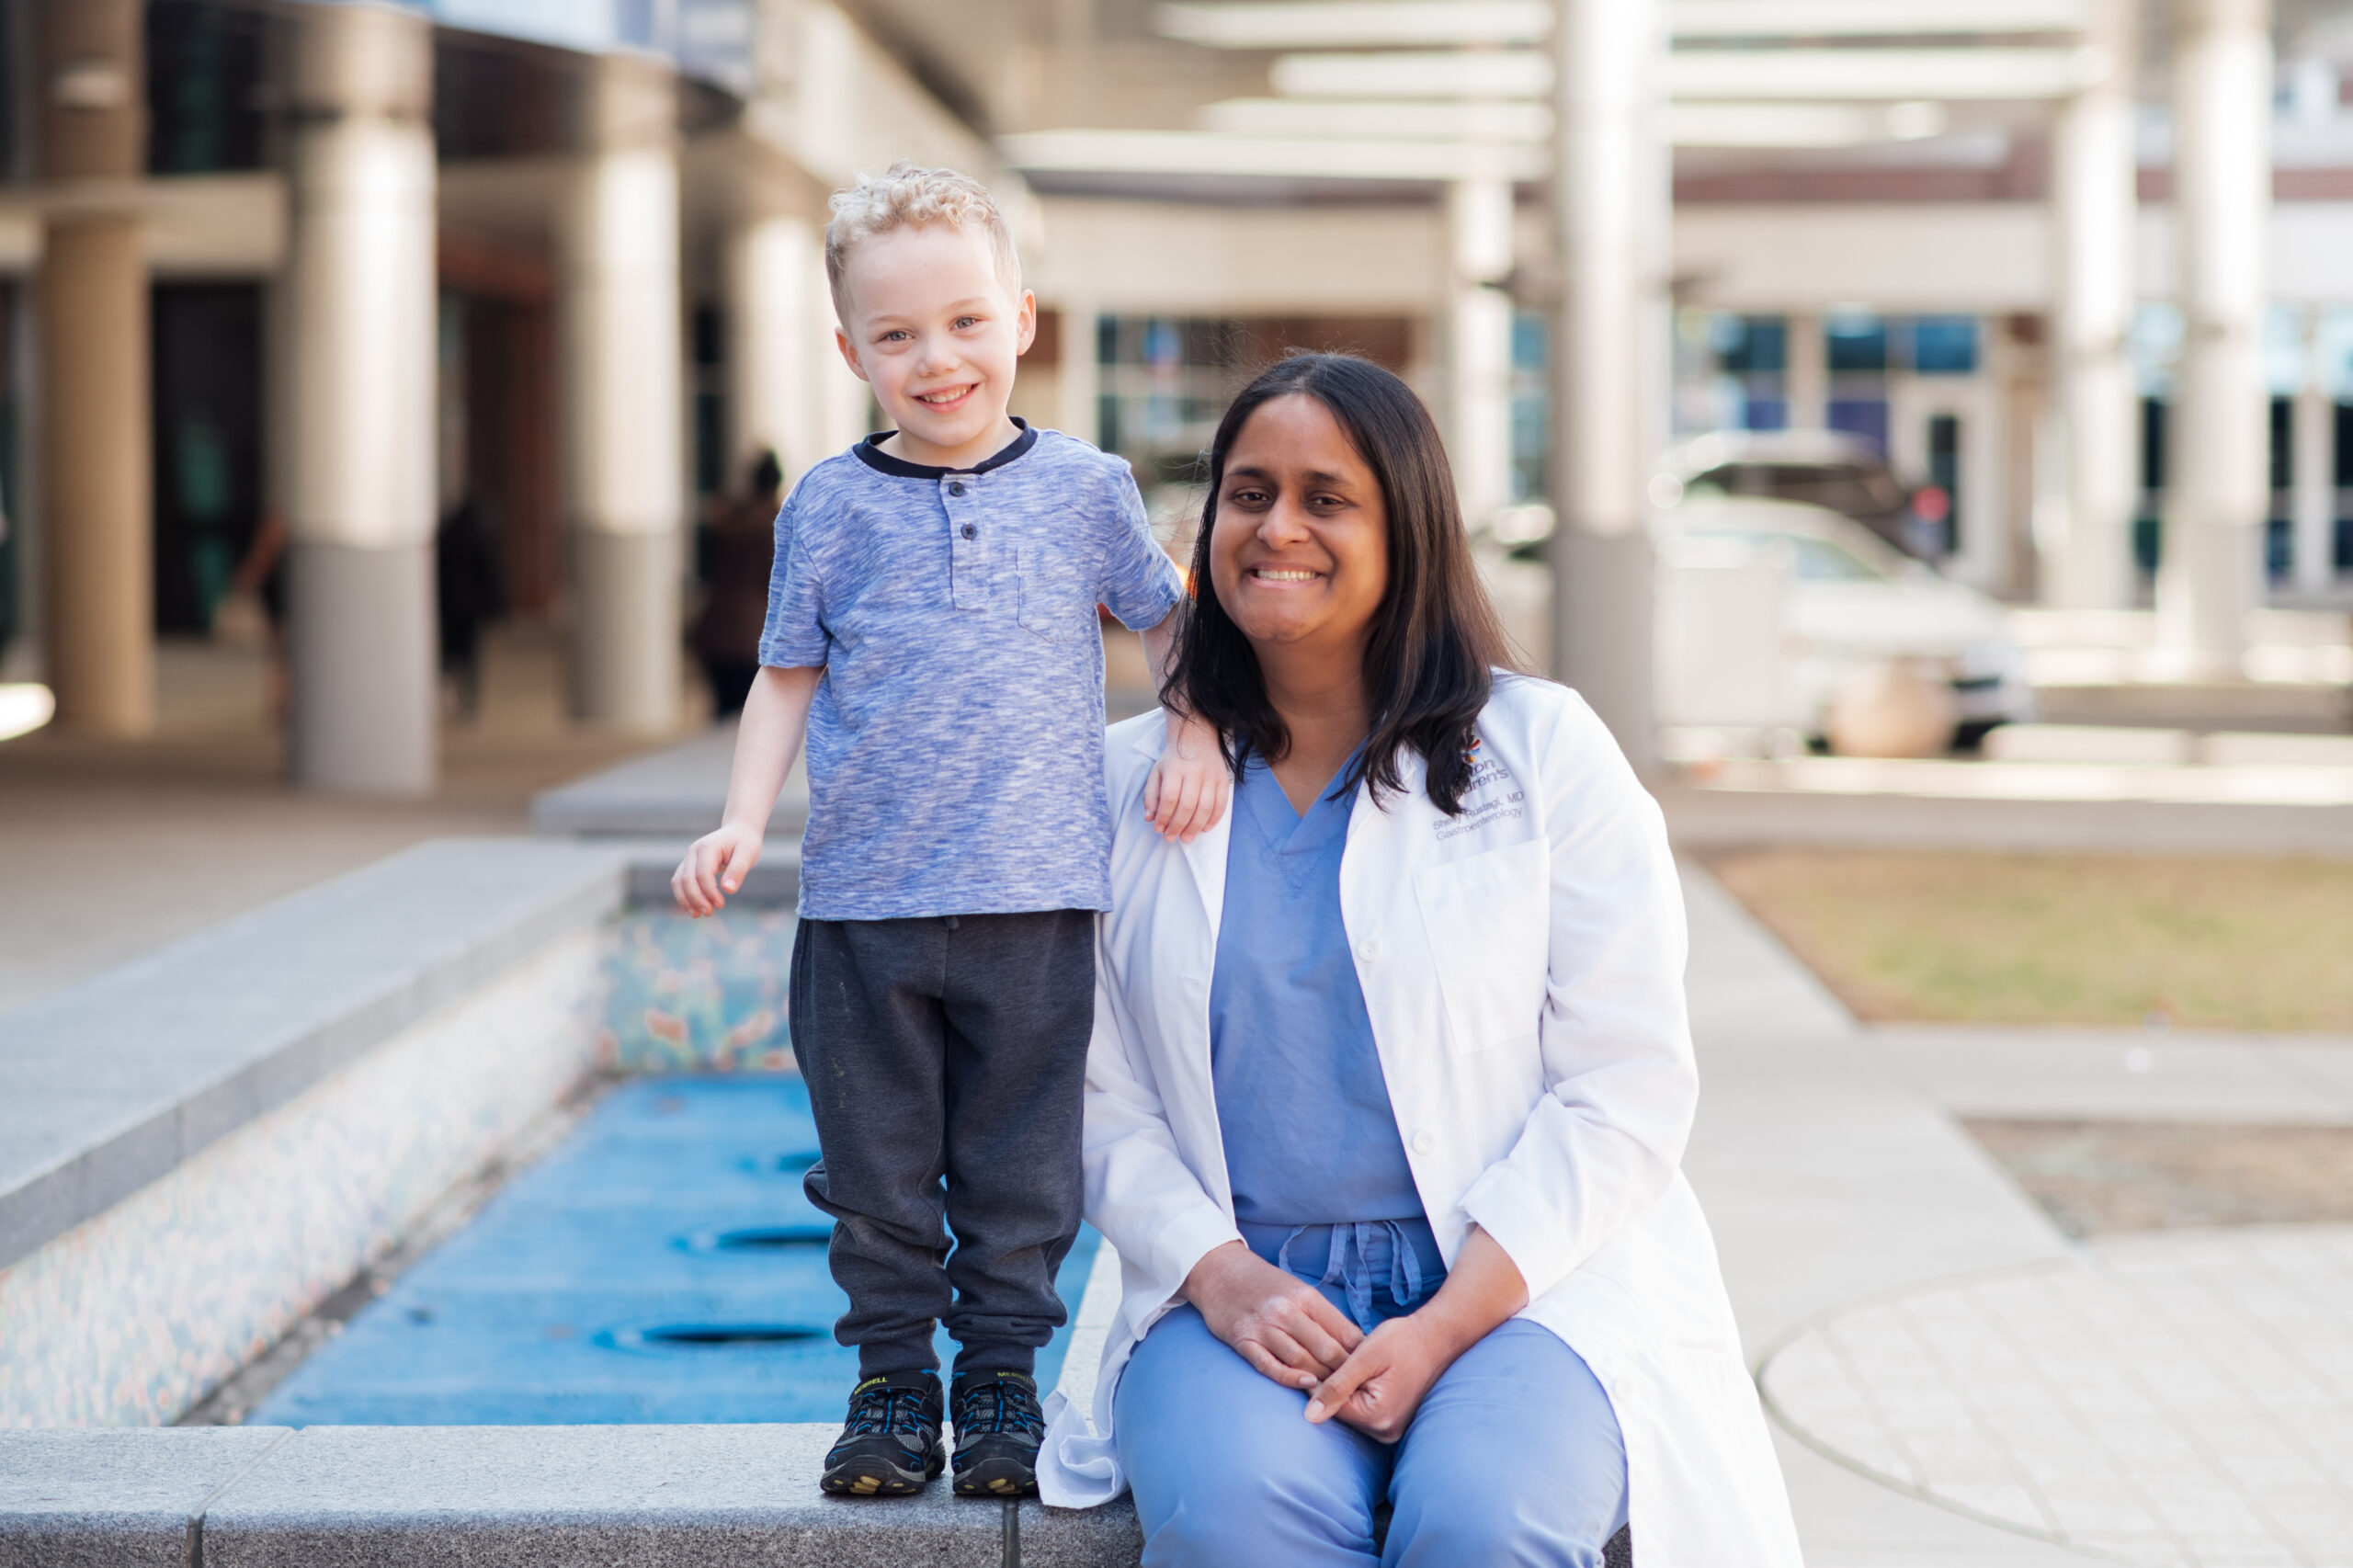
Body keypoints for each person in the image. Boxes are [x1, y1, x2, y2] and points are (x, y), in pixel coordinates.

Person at [1039, 354, 1802, 1566]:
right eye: (1248, 493)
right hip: (1236, 1286)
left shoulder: (1544, 753)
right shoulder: (1123, 785)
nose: (1277, 526)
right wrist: (1222, 1275)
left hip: (1525, 1278)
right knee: (1239, 1520)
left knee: (1482, 1520)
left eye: (1325, 497)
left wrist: (1447, 1323)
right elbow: (1090, 1091)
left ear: (1410, 527)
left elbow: (1626, 1086)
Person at [668, 163, 1232, 1501]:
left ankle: (997, 1386)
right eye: (899, 333)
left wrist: (1199, 730)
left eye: (966, 322)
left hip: (1036, 902)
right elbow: (787, 674)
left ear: (1022, 319)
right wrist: (743, 817)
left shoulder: (1086, 488)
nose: (938, 359)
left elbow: (1169, 619)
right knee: (872, 1172)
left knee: (1022, 1169)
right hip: (860, 909)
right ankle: (887, 1383)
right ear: (849, 344)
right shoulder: (827, 504)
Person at [693, 449, 785, 718]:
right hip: (752, 636)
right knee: (752, 722)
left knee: (723, 715)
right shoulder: (777, 525)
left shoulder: (725, 521)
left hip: (714, 631)